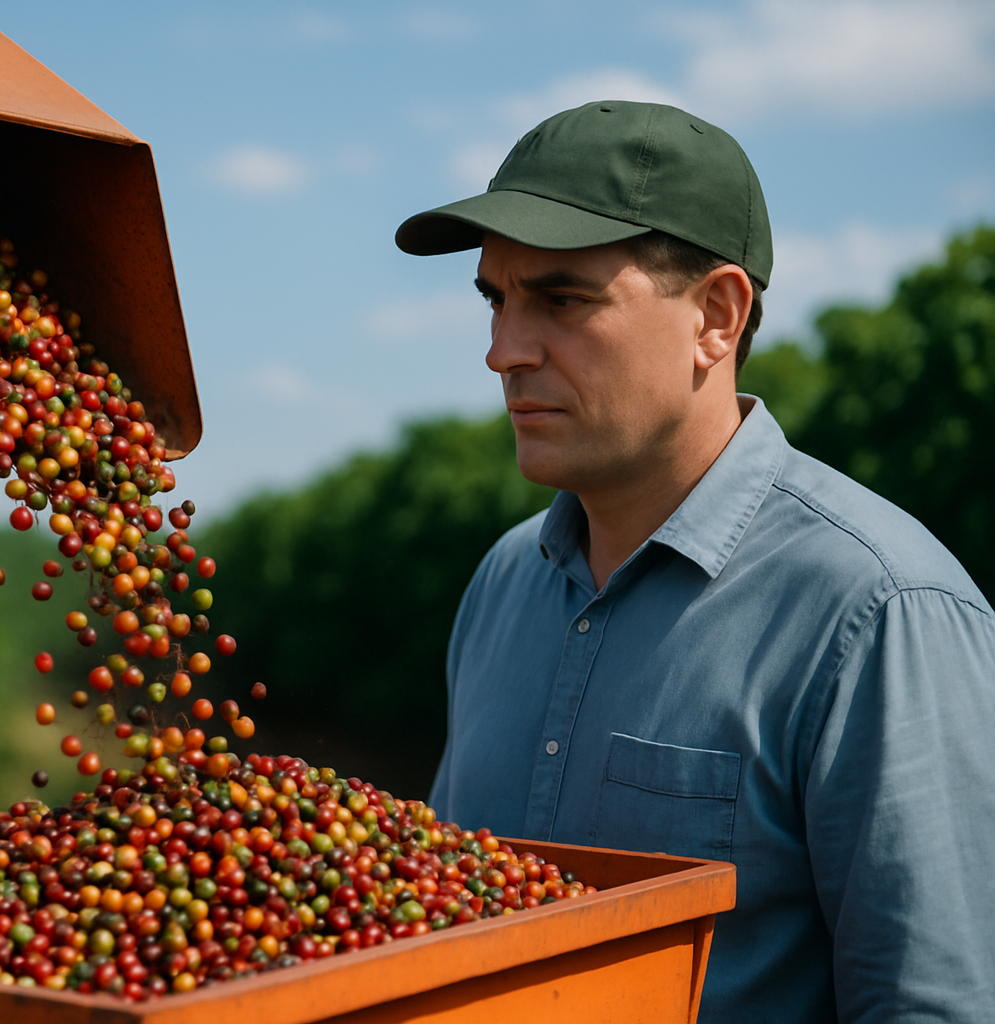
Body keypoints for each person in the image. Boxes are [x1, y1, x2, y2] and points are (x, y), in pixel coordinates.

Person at [395, 100, 995, 1023]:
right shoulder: (505, 583)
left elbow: (930, 1004)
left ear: (717, 315)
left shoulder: (878, 612)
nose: (502, 351)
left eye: (561, 299)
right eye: (497, 299)